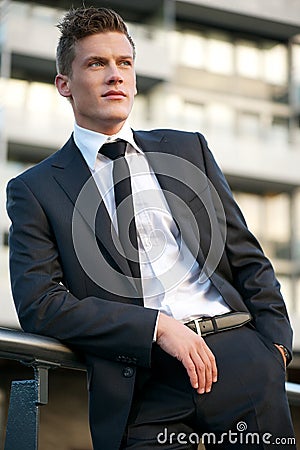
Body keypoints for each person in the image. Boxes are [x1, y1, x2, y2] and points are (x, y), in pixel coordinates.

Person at [6, 6, 296, 450]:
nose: (115, 75)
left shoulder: (188, 149)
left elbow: (247, 257)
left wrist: (275, 349)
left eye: (124, 63)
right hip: (139, 384)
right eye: (96, 63)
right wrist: (155, 327)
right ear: (64, 84)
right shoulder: (35, 188)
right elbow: (40, 303)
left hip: (239, 359)